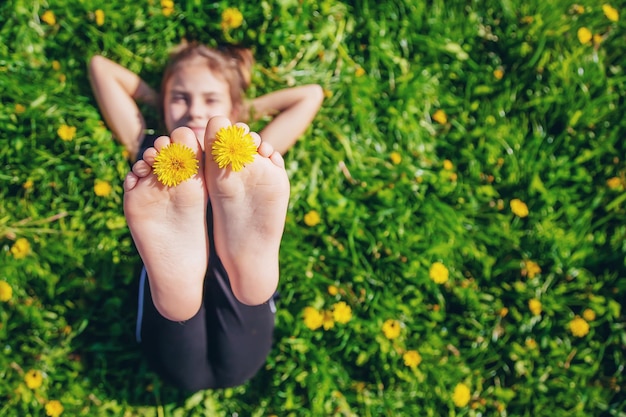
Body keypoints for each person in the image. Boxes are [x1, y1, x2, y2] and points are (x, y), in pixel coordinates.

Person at [88, 42, 324, 391]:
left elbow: (310, 95)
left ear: (233, 106)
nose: (195, 111)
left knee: (193, 334)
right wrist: (207, 107)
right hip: (243, 337)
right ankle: (184, 290)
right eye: (180, 98)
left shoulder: (247, 159)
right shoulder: (155, 155)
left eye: (210, 99)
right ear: (164, 104)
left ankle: (219, 281)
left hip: (176, 341)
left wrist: (235, 116)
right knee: (227, 323)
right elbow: (100, 68)